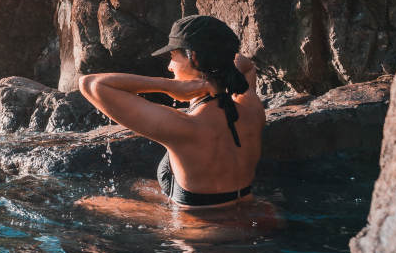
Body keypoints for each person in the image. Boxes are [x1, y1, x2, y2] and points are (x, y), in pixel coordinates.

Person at [78, 15, 265, 209]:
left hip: (200, 229)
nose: (169, 66)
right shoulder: (251, 107)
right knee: (138, 186)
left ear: (193, 56)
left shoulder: (184, 127)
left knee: (88, 203)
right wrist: (212, 76)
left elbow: (90, 84)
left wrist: (170, 86)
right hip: (252, 213)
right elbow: (245, 65)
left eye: (173, 56)